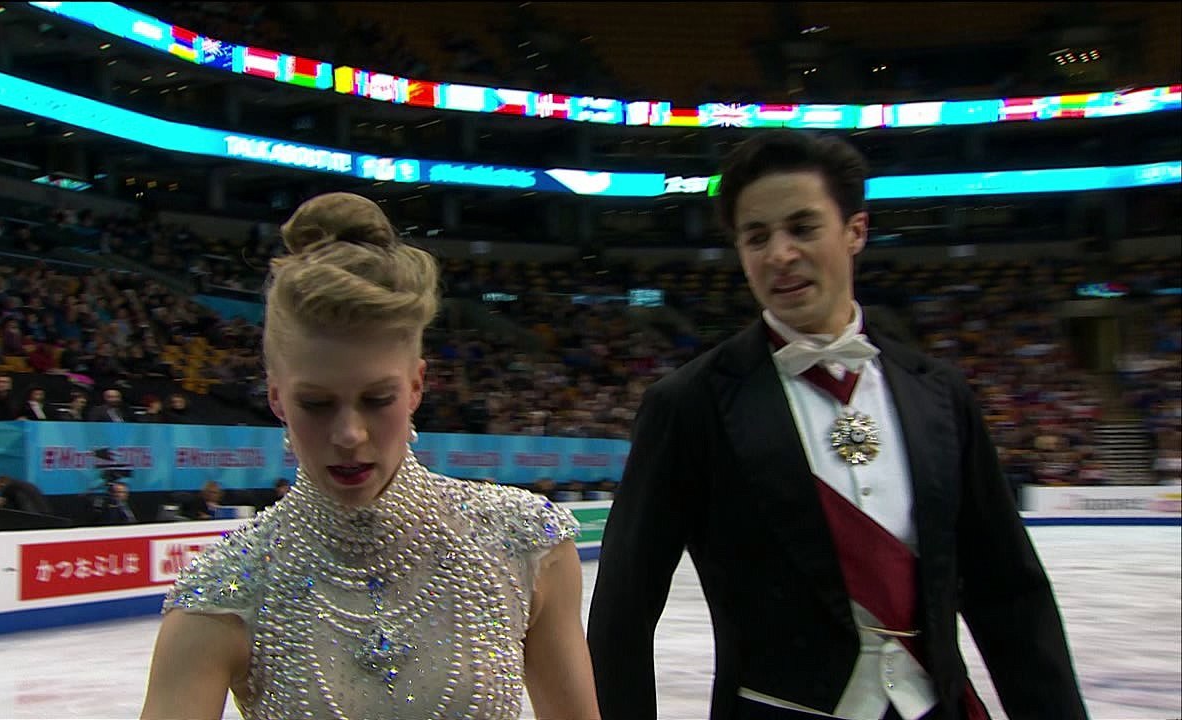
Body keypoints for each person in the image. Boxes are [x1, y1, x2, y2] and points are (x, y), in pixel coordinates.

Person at [587, 130, 1086, 720]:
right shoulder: (688, 406)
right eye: (757, 236)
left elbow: (1009, 595)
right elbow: (623, 610)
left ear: (856, 232)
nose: (779, 254)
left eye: (802, 228)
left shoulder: (941, 394)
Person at [142, 192, 599, 720]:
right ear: (276, 398)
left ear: (415, 386)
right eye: (316, 404)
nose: (350, 435)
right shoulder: (221, 595)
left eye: (377, 400)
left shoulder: (527, 547)